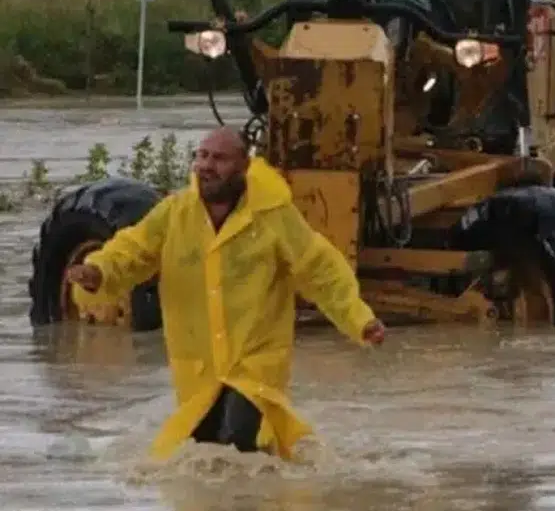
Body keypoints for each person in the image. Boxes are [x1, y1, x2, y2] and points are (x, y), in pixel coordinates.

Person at [65, 127, 386, 462]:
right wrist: (98, 273)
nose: (206, 166)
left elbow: (319, 269)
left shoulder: (273, 216)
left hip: (255, 363)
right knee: (206, 453)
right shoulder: (175, 213)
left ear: (243, 167)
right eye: (201, 156)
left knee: (237, 442)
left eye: (219, 159)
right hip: (198, 370)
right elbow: (132, 251)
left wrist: (359, 319)